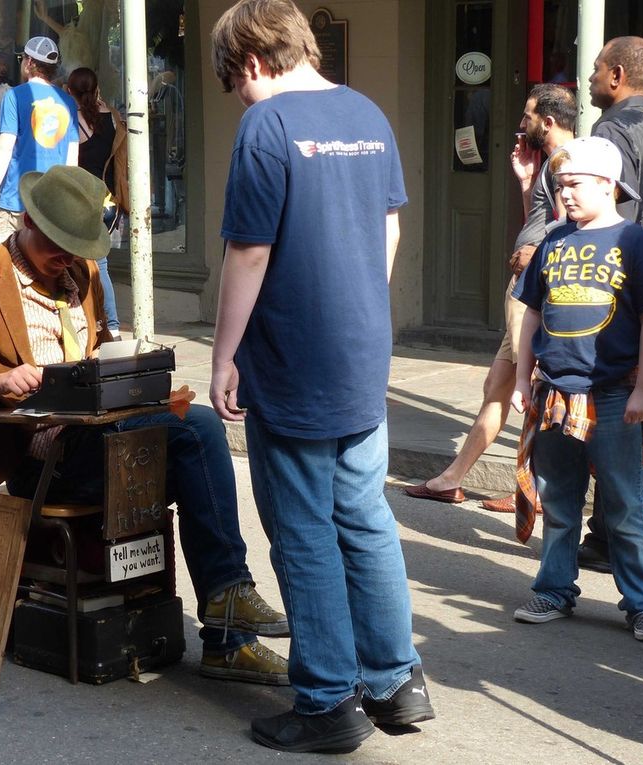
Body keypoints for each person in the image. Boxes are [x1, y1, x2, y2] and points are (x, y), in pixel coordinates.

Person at [0, 164, 291, 687]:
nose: (68, 258)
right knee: (197, 431)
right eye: (58, 245)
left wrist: (131, 367)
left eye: (77, 247)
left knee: (193, 438)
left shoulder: (82, 275)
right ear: (28, 223)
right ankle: (228, 608)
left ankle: (227, 635)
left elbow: (100, 349)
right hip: (43, 461)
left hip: (106, 436)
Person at [209, 0, 433, 754]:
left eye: (234, 82)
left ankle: (327, 700)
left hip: (293, 357)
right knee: (365, 517)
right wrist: (363, 299)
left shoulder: (266, 126)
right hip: (362, 351)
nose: (239, 97)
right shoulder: (368, 113)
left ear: (251, 61)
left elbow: (248, 253)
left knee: (303, 531)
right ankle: (396, 681)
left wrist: (223, 356)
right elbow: (390, 227)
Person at [509, 136, 643, 644]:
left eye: (575, 184)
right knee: (559, 501)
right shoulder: (553, 241)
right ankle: (554, 590)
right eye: (559, 186)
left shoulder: (636, 243)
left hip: (614, 395)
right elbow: (532, 312)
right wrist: (520, 379)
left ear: (608, 185)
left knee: (624, 504)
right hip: (553, 392)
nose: (566, 195)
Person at [405, 84, 577, 511]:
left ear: (549, 122)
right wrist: (524, 184)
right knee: (497, 386)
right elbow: (542, 220)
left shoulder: (565, 161)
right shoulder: (548, 164)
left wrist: (536, 253)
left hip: (532, 294)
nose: (521, 124)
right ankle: (452, 479)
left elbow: (570, 225)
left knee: (530, 389)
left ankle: (532, 487)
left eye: (528, 116)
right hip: (524, 289)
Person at [578, 36, 643, 573]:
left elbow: (614, 219)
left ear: (616, 76)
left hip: (621, 295)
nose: (589, 79)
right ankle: (620, 529)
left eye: (594, 71)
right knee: (639, 413)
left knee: (610, 412)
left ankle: (620, 535)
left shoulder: (610, 131)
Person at [0, 35, 78, 248]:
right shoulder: (68, 103)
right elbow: (72, 161)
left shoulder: (14, 96)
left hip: (15, 201)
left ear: (30, 62)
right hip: (50, 206)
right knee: (40, 272)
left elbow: (5, 147)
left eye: (22, 58)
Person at [66, 66, 123, 338]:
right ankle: (105, 324)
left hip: (82, 200)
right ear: (97, 87)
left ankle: (108, 325)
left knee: (77, 263)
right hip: (109, 201)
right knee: (100, 265)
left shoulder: (72, 120)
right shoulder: (112, 116)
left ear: (69, 91)